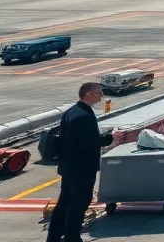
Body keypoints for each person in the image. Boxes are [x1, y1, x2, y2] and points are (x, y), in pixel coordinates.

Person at [47, 82, 113, 242]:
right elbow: (90, 142)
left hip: (69, 167)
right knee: (79, 204)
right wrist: (111, 138)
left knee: (64, 203)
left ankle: (54, 237)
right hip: (82, 169)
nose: (101, 96)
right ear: (89, 94)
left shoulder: (71, 112)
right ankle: (72, 237)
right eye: (99, 93)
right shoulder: (83, 116)